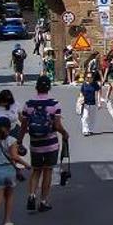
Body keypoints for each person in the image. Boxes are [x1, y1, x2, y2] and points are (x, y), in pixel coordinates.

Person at [22, 77, 67, 212]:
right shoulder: (54, 104)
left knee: (36, 170)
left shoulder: (28, 104)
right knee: (48, 171)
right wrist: (65, 133)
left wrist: (19, 141)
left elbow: (24, 126)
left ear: (36, 87)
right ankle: (43, 201)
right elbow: (57, 125)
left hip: (35, 143)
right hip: (51, 144)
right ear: (49, 88)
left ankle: (31, 195)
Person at [78, 67, 102, 136]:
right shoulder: (84, 84)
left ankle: (90, 129)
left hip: (93, 103)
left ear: (92, 78)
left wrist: (99, 102)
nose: (88, 78)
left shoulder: (94, 84)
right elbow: (81, 92)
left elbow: (98, 92)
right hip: (85, 103)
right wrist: (80, 100)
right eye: (87, 77)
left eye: (90, 77)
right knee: (85, 117)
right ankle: (85, 130)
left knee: (92, 118)